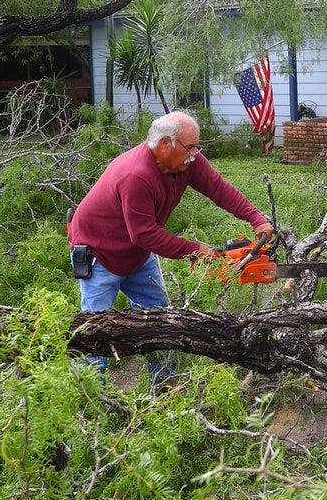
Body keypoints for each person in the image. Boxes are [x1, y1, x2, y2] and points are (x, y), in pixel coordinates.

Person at [69, 110, 273, 372]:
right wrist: (194, 250)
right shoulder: (136, 175)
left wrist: (255, 217)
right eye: (190, 146)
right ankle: (92, 403)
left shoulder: (187, 161)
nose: (195, 153)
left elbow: (218, 188)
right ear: (165, 144)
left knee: (161, 323)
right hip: (100, 256)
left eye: (197, 146)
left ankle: (164, 388)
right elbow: (143, 233)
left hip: (138, 254)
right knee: (95, 332)